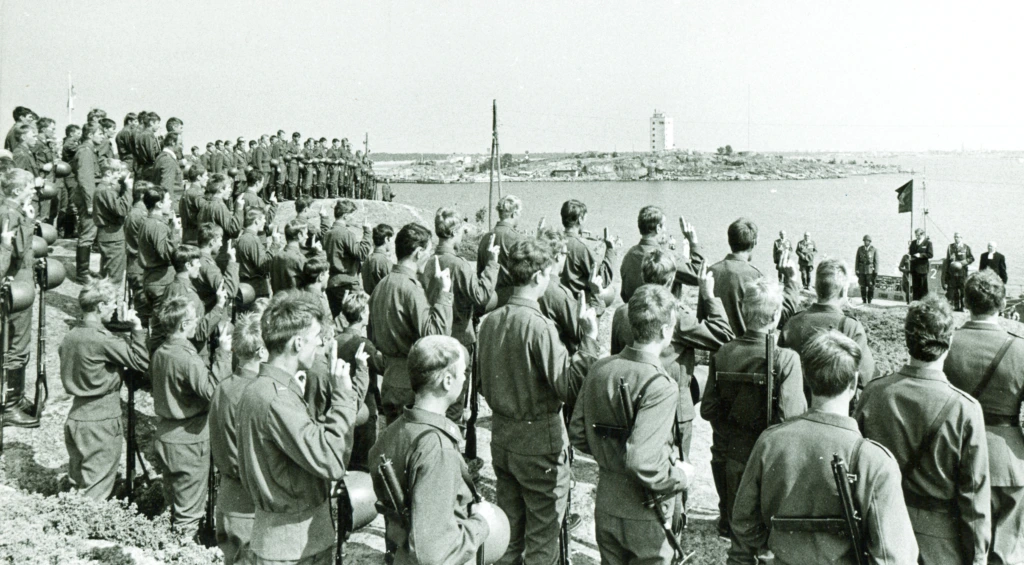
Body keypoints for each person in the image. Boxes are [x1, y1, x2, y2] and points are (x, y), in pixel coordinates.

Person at [729, 331, 918, 564]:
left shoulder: (770, 442)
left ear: (807, 379)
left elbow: (743, 523)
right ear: (854, 383)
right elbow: (894, 557)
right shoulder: (874, 461)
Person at [477, 238, 600, 565]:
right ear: (537, 277)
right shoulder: (540, 327)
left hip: (502, 438)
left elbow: (481, 382)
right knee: (543, 537)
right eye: (548, 273)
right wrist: (589, 337)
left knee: (509, 534)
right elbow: (570, 387)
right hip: (539, 444)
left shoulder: (488, 322)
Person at [855, 295, 990, 564]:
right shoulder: (965, 409)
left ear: (907, 340)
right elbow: (974, 495)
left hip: (882, 532)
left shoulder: (873, 393)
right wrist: (979, 554)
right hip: (940, 541)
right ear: (949, 342)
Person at [235, 292, 367, 564]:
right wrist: (343, 396)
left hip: (278, 538)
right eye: (317, 336)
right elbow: (331, 461)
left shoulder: (259, 389)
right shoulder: (279, 400)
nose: (320, 343)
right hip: (295, 550)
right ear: (297, 343)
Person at [569, 284, 695, 565]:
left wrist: (610, 455)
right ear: (665, 331)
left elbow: (578, 434)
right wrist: (681, 477)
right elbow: (642, 462)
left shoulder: (601, 368)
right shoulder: (662, 386)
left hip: (608, 502)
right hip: (646, 510)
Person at [369, 335, 491, 565]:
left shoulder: (394, 430)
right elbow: (434, 553)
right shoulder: (437, 447)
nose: (465, 379)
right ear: (446, 381)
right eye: (463, 372)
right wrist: (481, 524)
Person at [700, 278, 807, 539]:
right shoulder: (786, 358)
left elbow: (708, 410)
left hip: (733, 456)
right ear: (776, 315)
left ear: (744, 311)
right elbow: (791, 418)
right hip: (768, 463)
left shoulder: (724, 352)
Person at [610, 249, 733, 458]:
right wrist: (708, 296)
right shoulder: (674, 315)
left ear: (643, 275)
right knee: (675, 467)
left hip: (632, 396)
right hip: (673, 404)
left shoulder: (622, 312)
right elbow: (723, 335)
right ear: (671, 279)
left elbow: (616, 357)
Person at [943, 270, 1024, 565]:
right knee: (1005, 555)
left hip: (954, 455)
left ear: (966, 302)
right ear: (1002, 305)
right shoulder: (1020, 348)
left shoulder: (947, 344)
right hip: (1007, 464)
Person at [150, 295, 232, 538]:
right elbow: (213, 392)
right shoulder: (187, 357)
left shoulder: (161, 351)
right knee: (188, 518)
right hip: (189, 440)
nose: (197, 322)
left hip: (166, 434)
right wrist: (223, 354)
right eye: (194, 319)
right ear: (184, 324)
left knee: (174, 505)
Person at [59, 278, 149, 500]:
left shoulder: (70, 336)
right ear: (99, 306)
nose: (115, 309)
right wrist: (137, 328)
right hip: (101, 419)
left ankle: (66, 523)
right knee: (95, 492)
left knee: (78, 482)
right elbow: (141, 361)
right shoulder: (102, 340)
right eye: (112, 304)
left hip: (77, 416)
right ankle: (83, 532)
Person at [367, 223, 454, 424]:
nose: (430, 258)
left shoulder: (382, 285)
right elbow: (436, 336)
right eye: (428, 252)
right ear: (418, 252)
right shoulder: (410, 287)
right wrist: (444, 293)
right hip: (411, 383)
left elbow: (372, 335)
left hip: (389, 380)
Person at [420, 208, 499, 426]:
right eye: (462, 231)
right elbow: (481, 296)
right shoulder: (458, 264)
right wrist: (492, 263)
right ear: (454, 232)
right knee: (455, 402)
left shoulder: (425, 262)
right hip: (459, 338)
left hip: (432, 338)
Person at [209, 310, 266, 565]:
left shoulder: (223, 387)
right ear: (261, 351)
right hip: (252, 505)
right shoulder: (260, 394)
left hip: (229, 497)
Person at [779, 258, 875, 406]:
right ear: (843, 291)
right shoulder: (850, 327)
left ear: (816, 288)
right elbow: (867, 379)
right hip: (834, 412)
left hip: (797, 411)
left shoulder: (793, 323)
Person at [0, 168, 38, 427]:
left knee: (17, 344)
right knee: (16, 345)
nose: (34, 191)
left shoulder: (11, 211)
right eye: (29, 187)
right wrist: (27, 220)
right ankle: (9, 405)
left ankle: (17, 396)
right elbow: (18, 250)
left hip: (20, 284)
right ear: (16, 191)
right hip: (16, 288)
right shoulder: (10, 215)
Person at [334, 292, 384, 471]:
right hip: (364, 406)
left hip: (341, 403)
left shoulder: (336, 340)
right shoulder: (364, 344)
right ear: (362, 314)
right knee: (363, 462)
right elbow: (382, 366)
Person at [618, 206, 703, 302]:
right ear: (658, 228)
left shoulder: (629, 255)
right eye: (664, 226)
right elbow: (699, 275)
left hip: (634, 311)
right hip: (662, 312)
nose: (665, 230)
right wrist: (693, 242)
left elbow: (624, 293)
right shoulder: (665, 258)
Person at [560, 199, 616, 316]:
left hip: (559, 301)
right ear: (580, 219)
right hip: (578, 304)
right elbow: (603, 280)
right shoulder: (580, 247)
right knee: (611, 291)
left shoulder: (554, 241)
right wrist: (610, 249)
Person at [707, 218, 763, 337]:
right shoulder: (755, 276)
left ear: (730, 240)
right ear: (754, 242)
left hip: (716, 347)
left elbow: (702, 317)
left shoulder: (711, 272)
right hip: (744, 348)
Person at [137, 187, 182, 324]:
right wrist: (176, 232)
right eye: (168, 199)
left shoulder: (146, 222)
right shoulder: (158, 226)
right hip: (161, 280)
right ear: (159, 204)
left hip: (150, 277)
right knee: (160, 325)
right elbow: (167, 254)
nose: (171, 202)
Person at [323, 199, 372, 317]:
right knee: (354, 318)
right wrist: (367, 233)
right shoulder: (346, 234)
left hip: (332, 281)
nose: (354, 219)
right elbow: (362, 253)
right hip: (347, 282)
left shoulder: (328, 233)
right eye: (352, 215)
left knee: (337, 319)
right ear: (345, 216)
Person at [476, 195, 524, 308]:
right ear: (514, 213)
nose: (520, 215)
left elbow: (479, 271)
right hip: (510, 299)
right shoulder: (517, 239)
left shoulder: (485, 238)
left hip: (489, 297)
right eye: (520, 212)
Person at [91, 159, 134, 283]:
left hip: (108, 235)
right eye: (117, 172)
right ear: (108, 173)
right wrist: (128, 189)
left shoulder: (104, 188)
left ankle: (104, 300)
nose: (119, 176)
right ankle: (111, 301)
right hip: (113, 237)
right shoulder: (106, 190)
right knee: (114, 277)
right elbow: (122, 210)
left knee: (106, 275)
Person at [73, 123, 105, 281]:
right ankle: (82, 272)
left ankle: (84, 269)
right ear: (90, 135)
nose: (103, 136)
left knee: (90, 233)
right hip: (88, 198)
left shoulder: (89, 151)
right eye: (100, 133)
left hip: (90, 196)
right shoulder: (86, 152)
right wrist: (91, 204)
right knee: (88, 234)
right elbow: (86, 180)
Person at [195, 223, 239, 314]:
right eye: (220, 240)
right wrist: (232, 261)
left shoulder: (196, 257)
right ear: (212, 242)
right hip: (209, 312)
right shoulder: (209, 266)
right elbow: (229, 292)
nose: (221, 244)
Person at [237, 209, 278, 300]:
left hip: (246, 287)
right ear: (256, 221)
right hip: (255, 289)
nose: (265, 221)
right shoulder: (252, 239)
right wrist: (275, 244)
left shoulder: (243, 236)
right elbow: (264, 265)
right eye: (263, 219)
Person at [270, 219, 311, 294]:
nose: (307, 236)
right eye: (306, 233)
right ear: (299, 235)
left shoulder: (276, 257)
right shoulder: (300, 259)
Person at [146, 133, 184, 201]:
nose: (182, 146)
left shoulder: (161, 157)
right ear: (173, 142)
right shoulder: (168, 161)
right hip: (173, 204)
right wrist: (170, 209)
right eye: (180, 143)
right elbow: (166, 188)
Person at [179, 164, 209, 246]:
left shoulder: (187, 192)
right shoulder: (197, 194)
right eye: (206, 176)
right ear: (199, 177)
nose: (207, 178)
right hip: (195, 237)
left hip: (187, 235)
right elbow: (208, 210)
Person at [944, 231, 974, 311]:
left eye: (958, 237)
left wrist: (963, 263)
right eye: (955, 237)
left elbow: (971, 258)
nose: (956, 238)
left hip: (962, 272)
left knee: (963, 289)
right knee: (953, 290)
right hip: (952, 272)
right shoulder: (950, 247)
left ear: (961, 238)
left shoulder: (966, 247)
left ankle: (964, 306)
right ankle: (956, 306)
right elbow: (947, 260)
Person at [361, 223, 394, 297]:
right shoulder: (384, 261)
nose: (392, 243)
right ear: (386, 239)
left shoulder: (367, 259)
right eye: (391, 239)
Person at [909, 228, 933, 300]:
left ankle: (923, 303)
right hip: (914, 268)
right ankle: (915, 302)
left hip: (923, 268)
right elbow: (910, 252)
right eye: (916, 235)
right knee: (915, 287)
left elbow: (930, 254)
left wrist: (921, 255)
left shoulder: (928, 243)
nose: (917, 237)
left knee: (923, 287)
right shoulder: (913, 243)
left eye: (918, 235)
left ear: (922, 234)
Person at [855, 234, 879, 304]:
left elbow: (876, 262)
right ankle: (864, 300)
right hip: (862, 270)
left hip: (870, 271)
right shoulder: (860, 249)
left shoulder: (874, 250)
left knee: (871, 286)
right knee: (862, 286)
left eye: (867, 241)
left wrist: (876, 271)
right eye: (864, 241)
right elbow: (857, 260)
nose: (865, 242)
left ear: (869, 242)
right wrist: (856, 270)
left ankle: (870, 300)